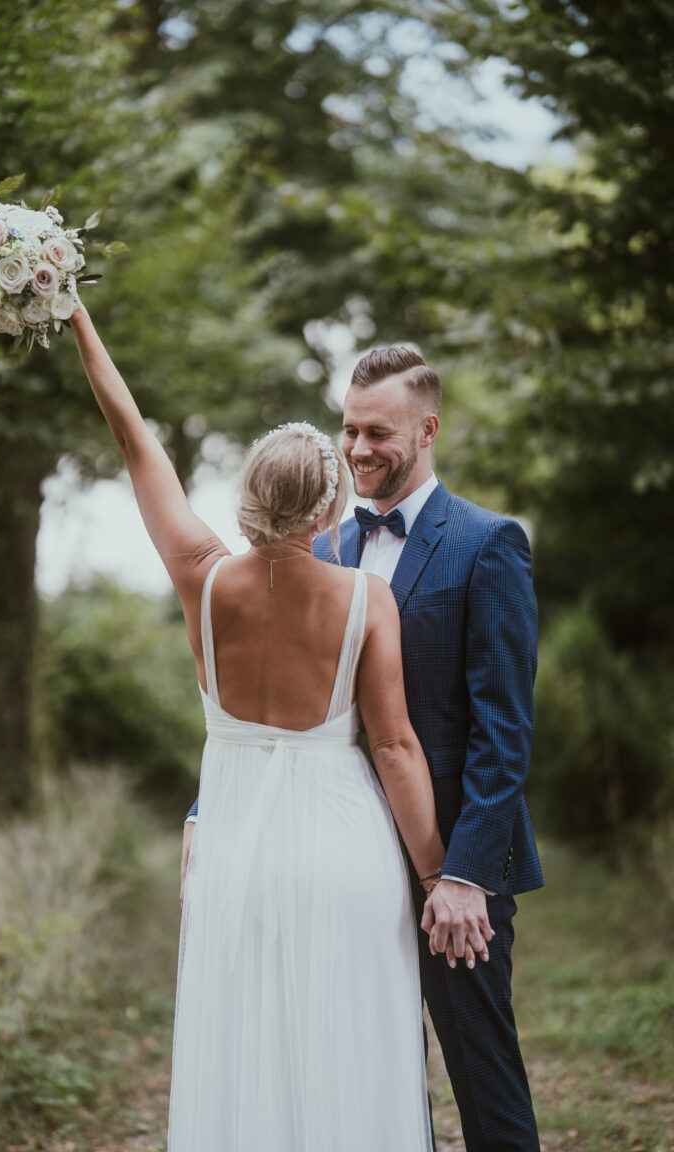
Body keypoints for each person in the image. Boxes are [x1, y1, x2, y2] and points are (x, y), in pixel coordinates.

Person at [69, 304, 486, 1152]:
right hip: (346, 855)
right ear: (331, 502)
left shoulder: (202, 580)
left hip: (233, 858)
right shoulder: (366, 599)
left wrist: (76, 315)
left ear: (249, 495)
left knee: (246, 1051)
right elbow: (398, 747)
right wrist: (443, 871)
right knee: (349, 1053)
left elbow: (131, 438)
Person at [314, 345, 544, 1151]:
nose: (357, 449)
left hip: (454, 872)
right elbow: (276, 704)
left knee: (485, 1085)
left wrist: (466, 873)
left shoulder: (488, 544)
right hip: (340, 858)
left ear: (427, 430)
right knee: (363, 1080)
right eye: (347, 430)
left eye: (377, 431)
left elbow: (504, 729)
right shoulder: (322, 550)